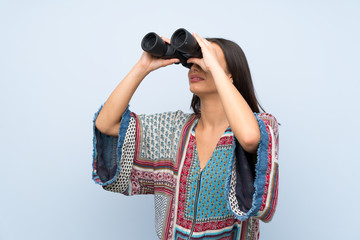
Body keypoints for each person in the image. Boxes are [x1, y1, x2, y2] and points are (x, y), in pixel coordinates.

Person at [92, 32, 280, 240]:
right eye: (192, 61)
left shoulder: (263, 125)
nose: (196, 66)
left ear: (229, 75)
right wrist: (142, 67)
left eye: (206, 59)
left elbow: (249, 138)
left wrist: (214, 67)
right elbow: (105, 123)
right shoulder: (173, 128)